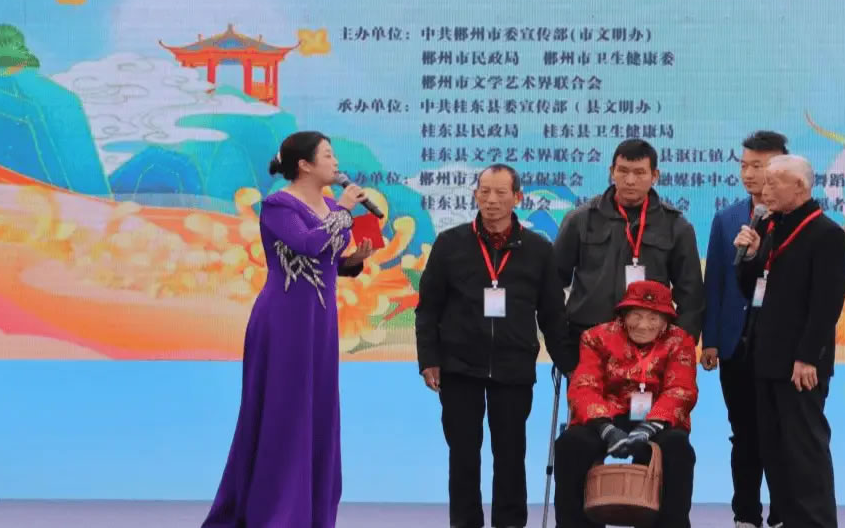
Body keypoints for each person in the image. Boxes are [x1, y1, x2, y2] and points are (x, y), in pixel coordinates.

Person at [202, 131, 376, 528]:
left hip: (320, 322)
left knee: (318, 410)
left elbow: (326, 260)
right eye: (328, 155)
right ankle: (276, 512)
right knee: (282, 410)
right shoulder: (279, 205)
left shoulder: (330, 206)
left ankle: (311, 511)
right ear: (305, 165)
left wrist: (354, 261)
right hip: (283, 321)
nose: (336, 163)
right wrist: (345, 211)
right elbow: (307, 244)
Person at [415, 164, 575, 528]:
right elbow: (428, 308)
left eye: (501, 193)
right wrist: (429, 359)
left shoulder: (538, 249)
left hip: (513, 367)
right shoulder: (450, 244)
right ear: (475, 195)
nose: (491, 200)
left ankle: (511, 522)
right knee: (463, 455)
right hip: (459, 366)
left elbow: (552, 314)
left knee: (511, 455)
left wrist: (569, 364)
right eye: (484, 192)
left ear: (518, 197)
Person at [734, 155, 845, 528]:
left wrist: (807, 357)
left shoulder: (827, 234)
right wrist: (750, 257)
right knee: (774, 451)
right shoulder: (773, 227)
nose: (763, 189)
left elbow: (826, 305)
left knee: (804, 452)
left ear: (799, 187)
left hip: (800, 365)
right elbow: (753, 290)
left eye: (773, 182)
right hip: (765, 358)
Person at [553, 281, 699, 528]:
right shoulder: (596, 337)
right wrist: (607, 430)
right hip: (608, 414)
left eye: (653, 318)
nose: (643, 325)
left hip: (656, 418)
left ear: (666, 321)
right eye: (636, 315)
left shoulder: (680, 341)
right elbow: (584, 386)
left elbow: (681, 389)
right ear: (623, 314)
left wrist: (648, 428)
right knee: (571, 444)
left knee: (677, 448)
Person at [702, 130, 789, 528]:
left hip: (779, 345)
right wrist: (711, 341)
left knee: (781, 433)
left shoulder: (795, 221)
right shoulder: (727, 219)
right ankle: (746, 515)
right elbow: (716, 282)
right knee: (743, 433)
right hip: (736, 343)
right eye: (745, 165)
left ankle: (784, 513)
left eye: (760, 166)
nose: (750, 174)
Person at [554, 138, 704, 368]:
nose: (630, 180)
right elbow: (552, 284)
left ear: (655, 176)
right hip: (588, 343)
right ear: (611, 172)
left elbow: (691, 296)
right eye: (623, 171)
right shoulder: (581, 220)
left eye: (640, 172)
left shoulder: (675, 226)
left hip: (651, 348)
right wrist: (562, 344)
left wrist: (676, 350)